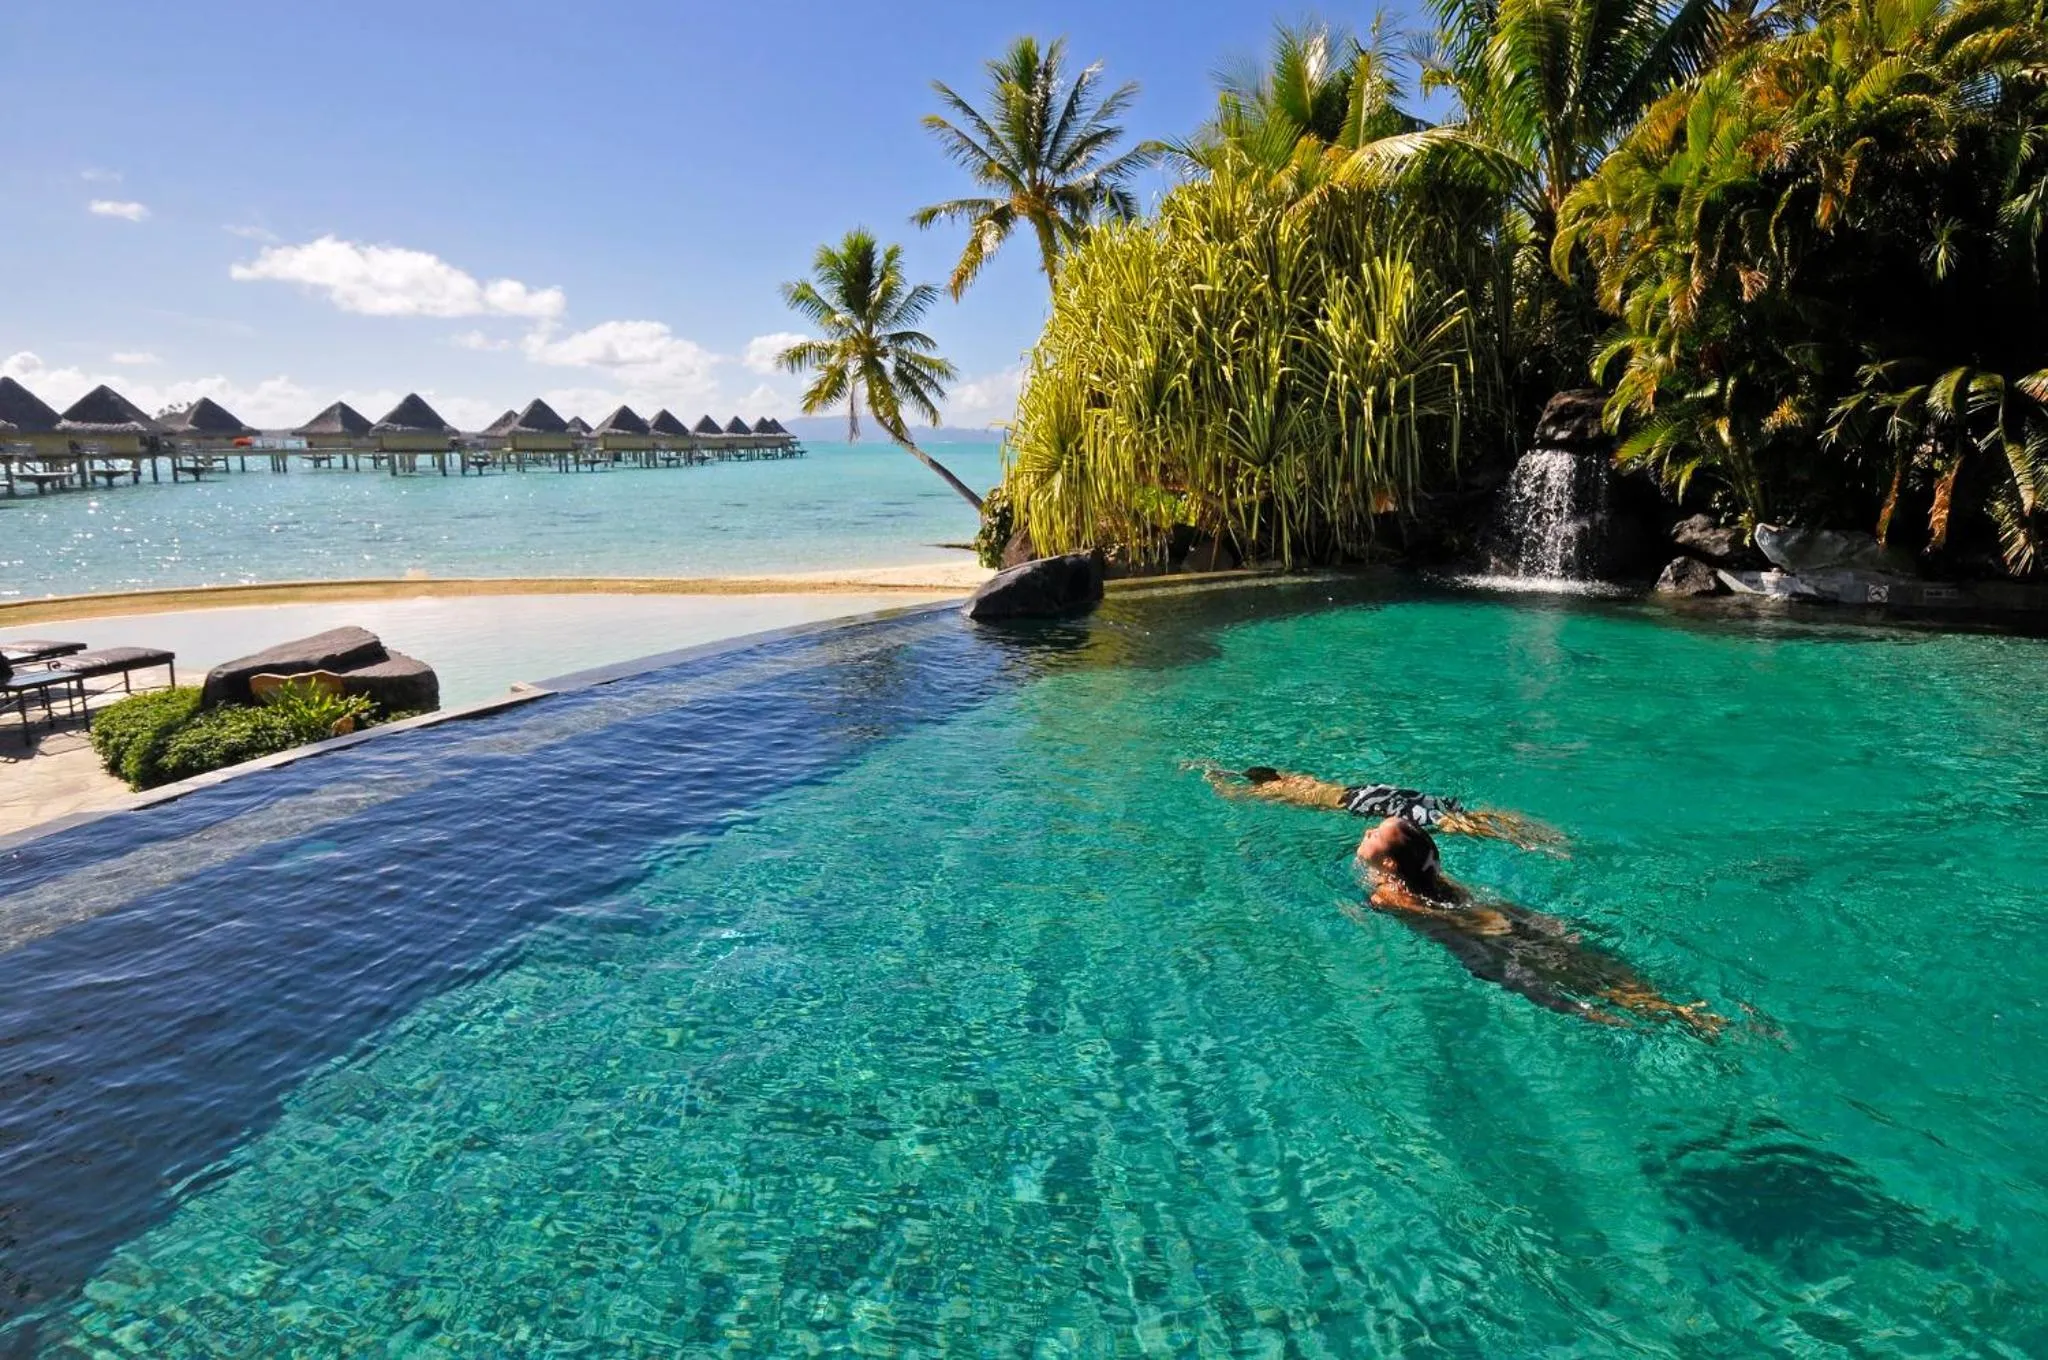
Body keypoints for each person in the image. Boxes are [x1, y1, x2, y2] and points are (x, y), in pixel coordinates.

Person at [1353, 816, 1725, 1037]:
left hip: (1483, 943)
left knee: (1567, 992)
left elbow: (1434, 921)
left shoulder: (1387, 897)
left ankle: (1671, 1017)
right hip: (1502, 922)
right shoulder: (1443, 881)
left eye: (1375, 836)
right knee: (1582, 965)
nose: (1367, 831)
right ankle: (1680, 1010)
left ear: (1388, 866)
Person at [1200, 763, 1563, 850]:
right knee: (1451, 811)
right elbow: (1269, 775)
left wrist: (1211, 778)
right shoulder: (1296, 779)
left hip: (1360, 803)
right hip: (1373, 790)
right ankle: (1525, 829)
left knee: (1445, 822)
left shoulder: (1278, 791)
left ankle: (1522, 840)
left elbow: (1236, 794)